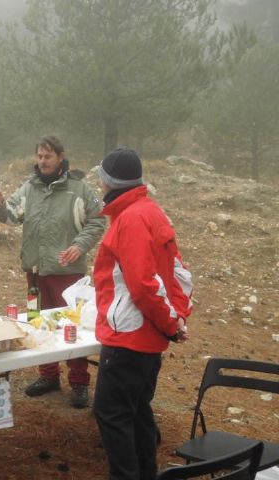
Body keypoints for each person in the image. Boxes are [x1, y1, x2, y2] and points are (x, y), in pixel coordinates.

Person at [92, 148, 193, 480]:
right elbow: (176, 272)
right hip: (147, 336)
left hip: (131, 338)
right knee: (135, 412)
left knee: (112, 413)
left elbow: (144, 284)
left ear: (110, 183)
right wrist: (175, 321)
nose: (99, 186)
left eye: (101, 179)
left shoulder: (131, 218)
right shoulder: (150, 210)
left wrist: (171, 323)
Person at [0, 136, 105, 408]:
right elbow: (11, 217)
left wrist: (79, 245)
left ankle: (79, 382)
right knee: (36, 321)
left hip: (68, 273)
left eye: (48, 157)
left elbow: (98, 220)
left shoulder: (79, 188)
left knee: (70, 325)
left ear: (61, 157)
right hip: (34, 271)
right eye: (39, 156)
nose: (42, 161)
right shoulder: (29, 188)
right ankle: (48, 375)